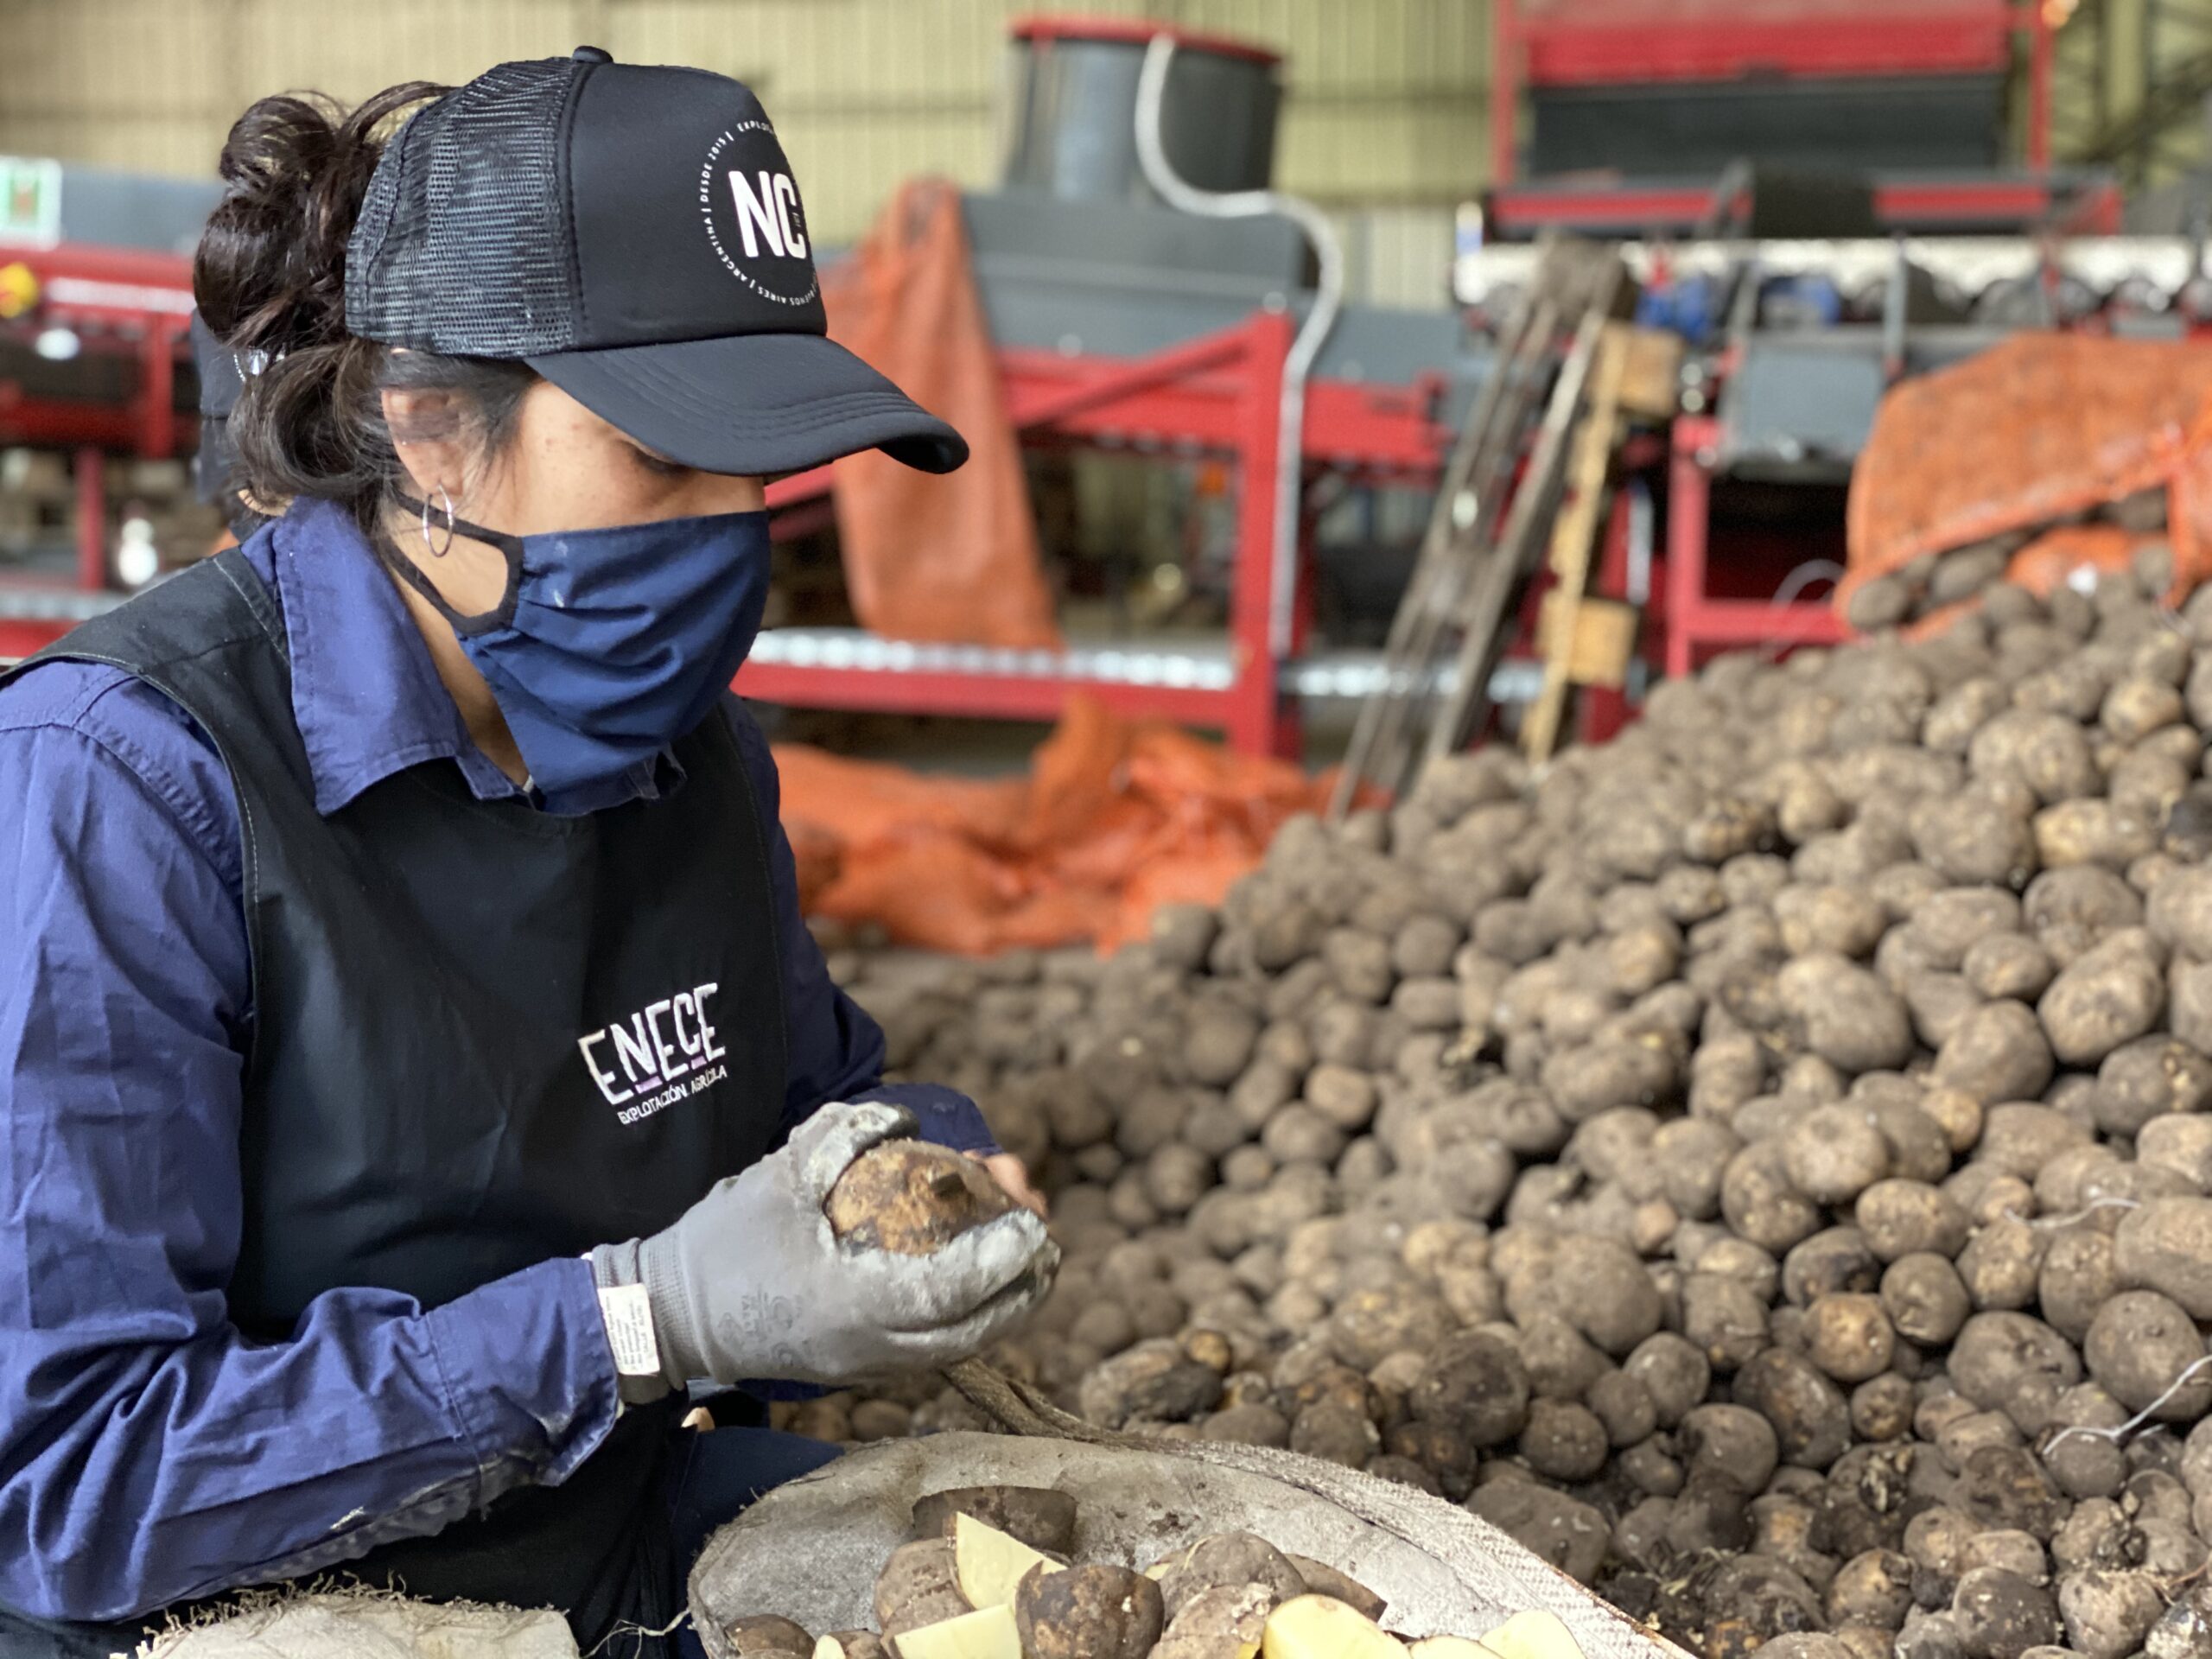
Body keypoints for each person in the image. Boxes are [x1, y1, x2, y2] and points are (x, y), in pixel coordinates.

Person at [0, 50, 1058, 1658]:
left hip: (604, 1562)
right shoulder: (126, 786)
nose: (722, 531)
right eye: (661, 460)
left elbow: (812, 1106)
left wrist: (918, 1180)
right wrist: (636, 1321)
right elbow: (71, 1485)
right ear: (427, 427)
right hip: (237, 1618)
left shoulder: (695, 758)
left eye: (756, 470)